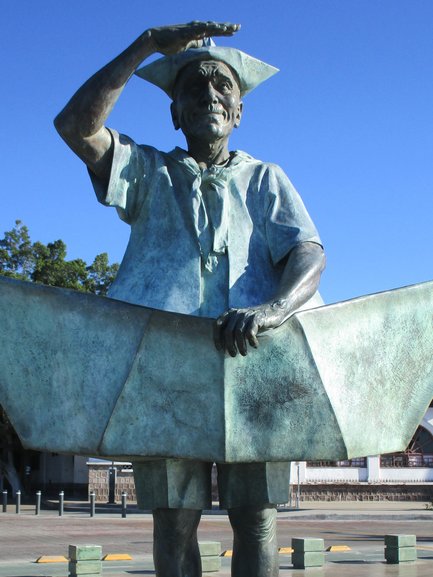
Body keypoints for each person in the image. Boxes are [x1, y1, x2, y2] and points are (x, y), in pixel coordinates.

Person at [54, 21, 325, 577]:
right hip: (164, 366)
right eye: (194, 88)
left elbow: (308, 253)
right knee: (174, 520)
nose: (209, 96)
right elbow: (76, 126)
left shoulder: (265, 178)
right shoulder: (147, 171)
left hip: (255, 360)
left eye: (222, 87)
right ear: (174, 111)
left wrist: (274, 310)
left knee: (256, 517)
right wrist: (148, 45)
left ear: (240, 110)